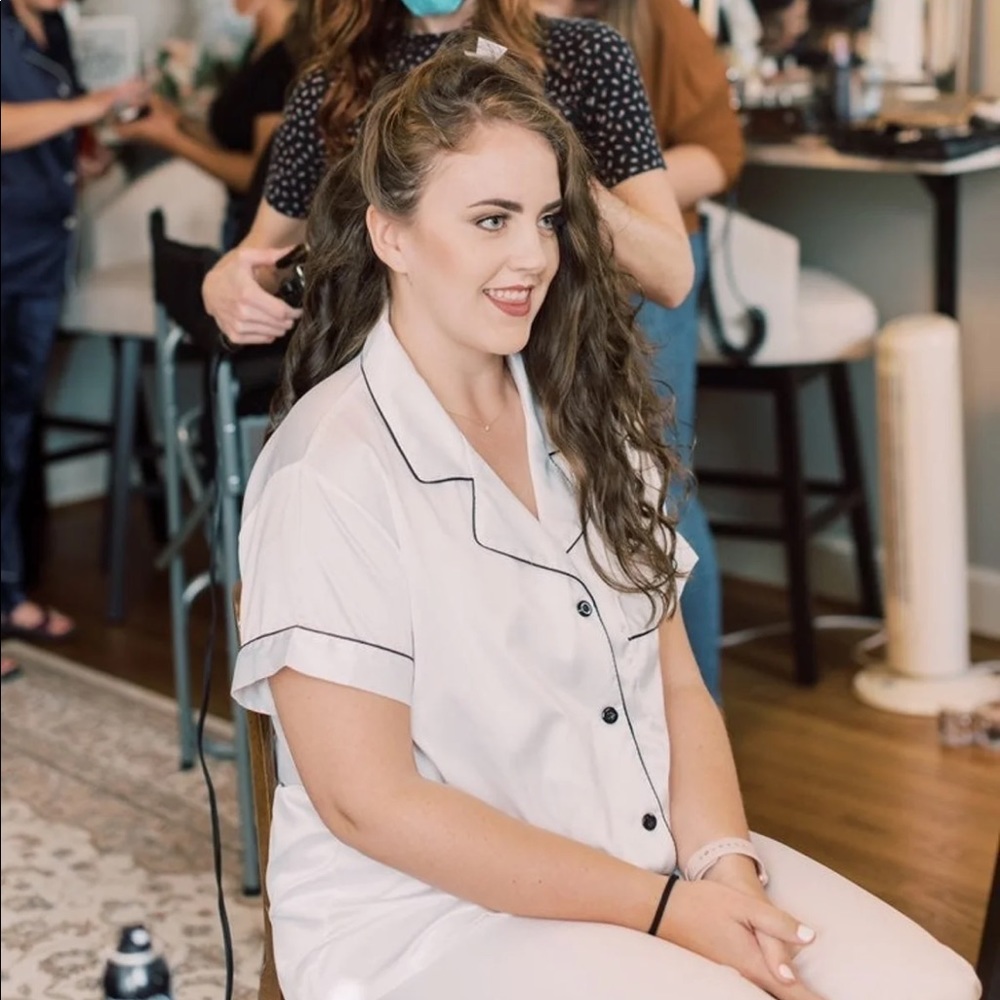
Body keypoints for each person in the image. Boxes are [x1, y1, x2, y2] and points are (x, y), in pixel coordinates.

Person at [231, 42, 980, 1000]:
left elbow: (677, 685)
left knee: (937, 985)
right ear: (393, 235)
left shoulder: (585, 417)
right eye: (490, 220)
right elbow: (368, 803)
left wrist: (724, 870)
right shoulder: (327, 471)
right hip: (430, 919)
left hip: (644, 850)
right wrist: (667, 914)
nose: (533, 256)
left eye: (546, 219)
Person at [200, 0, 696, 346]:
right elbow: (260, 258)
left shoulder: (585, 59)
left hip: (557, 381)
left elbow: (670, 275)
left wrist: (553, 163)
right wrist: (221, 285)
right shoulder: (332, 91)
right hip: (389, 391)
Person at [535, 0, 745, 700]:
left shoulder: (655, 20)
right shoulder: (480, 22)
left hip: (641, 264)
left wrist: (614, 185)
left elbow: (719, 154)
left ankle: (695, 715)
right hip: (540, 264)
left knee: (656, 487)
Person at [0, 0, 146, 678]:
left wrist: (81, 152)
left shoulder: (53, 28)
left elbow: (49, 128)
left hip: (38, 252)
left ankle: (8, 598)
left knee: (12, 433)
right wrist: (87, 107)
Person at [113, 0, 309, 250]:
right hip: (238, 219)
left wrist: (171, 138)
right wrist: (175, 119)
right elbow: (232, 144)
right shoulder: (258, 48)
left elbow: (261, 176)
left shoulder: (284, 62)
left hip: (260, 232)